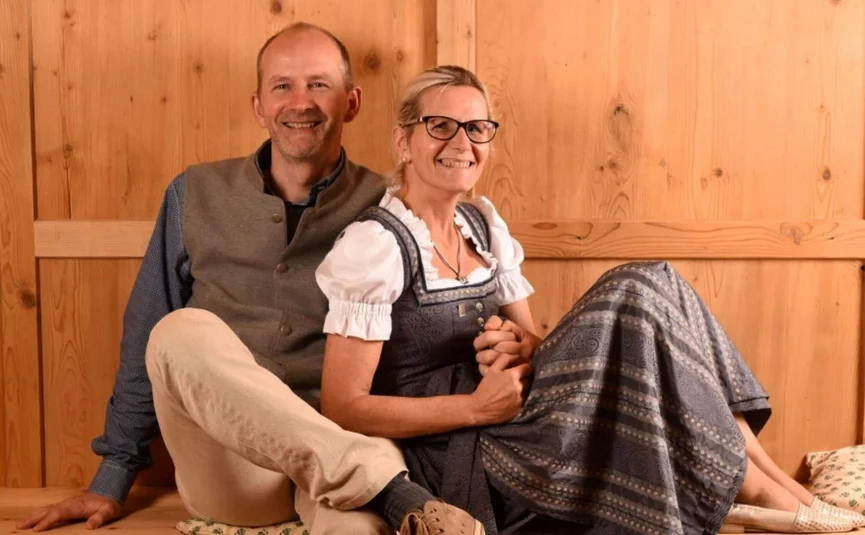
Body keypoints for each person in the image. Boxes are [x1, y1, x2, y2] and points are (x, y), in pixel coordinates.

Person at [315, 65, 865, 535]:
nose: (462, 143)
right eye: (440, 126)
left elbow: (535, 346)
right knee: (632, 288)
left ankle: (773, 482)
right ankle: (758, 490)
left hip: (526, 416)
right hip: (471, 449)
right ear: (402, 141)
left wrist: (517, 345)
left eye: (478, 128)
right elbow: (343, 406)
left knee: (657, 280)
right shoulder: (375, 245)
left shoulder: (482, 225)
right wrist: (475, 407)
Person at [17, 24, 485, 535]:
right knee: (175, 333)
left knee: (359, 531)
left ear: (352, 102)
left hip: (343, 453)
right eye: (283, 86)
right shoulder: (192, 193)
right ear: (259, 105)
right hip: (234, 470)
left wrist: (503, 341)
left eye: (319, 85)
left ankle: (385, 491)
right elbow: (145, 338)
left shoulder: (393, 205)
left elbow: (441, 320)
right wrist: (111, 478)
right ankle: (391, 490)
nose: (300, 102)